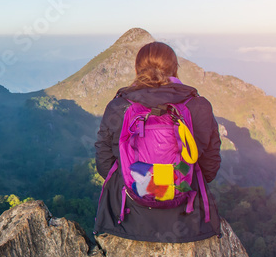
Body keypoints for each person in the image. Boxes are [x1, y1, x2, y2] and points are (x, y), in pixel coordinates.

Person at [93, 41, 222, 242]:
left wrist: (134, 181)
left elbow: (104, 163)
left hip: (128, 217)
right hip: (187, 217)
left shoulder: (119, 107)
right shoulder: (199, 106)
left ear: (136, 70)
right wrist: (177, 182)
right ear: (175, 69)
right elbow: (210, 165)